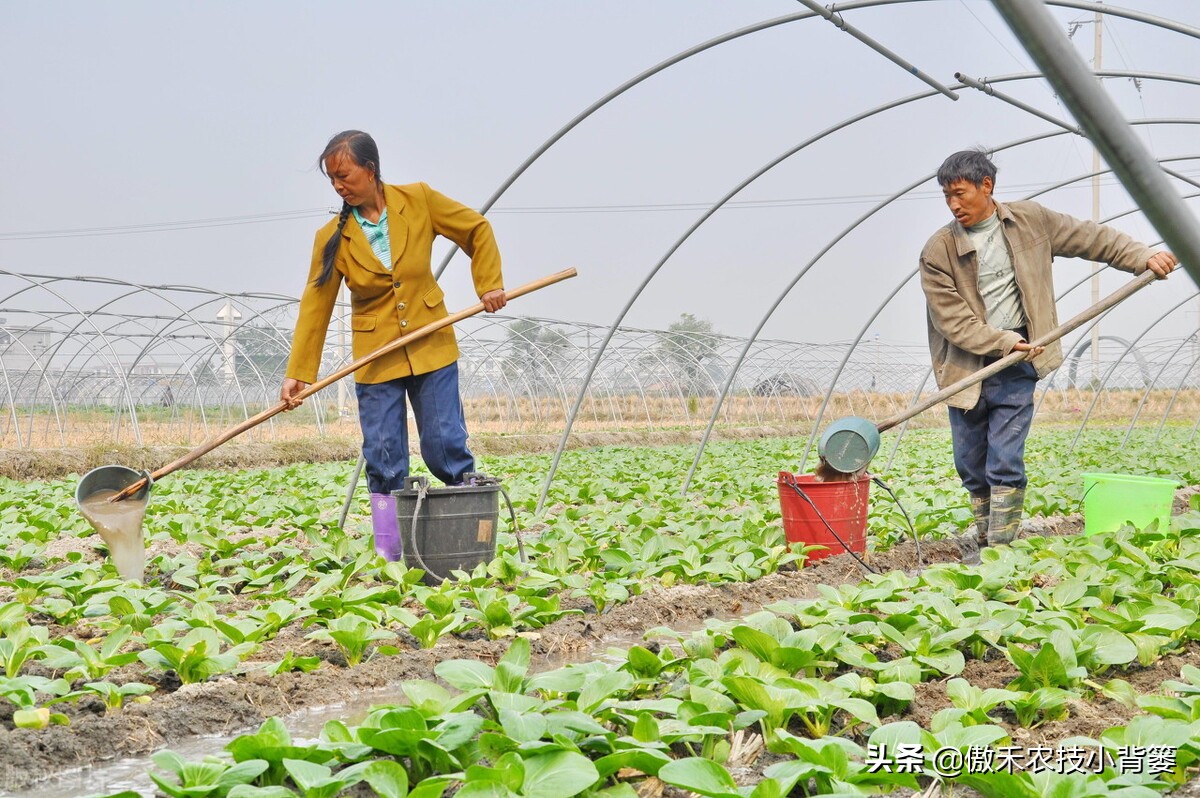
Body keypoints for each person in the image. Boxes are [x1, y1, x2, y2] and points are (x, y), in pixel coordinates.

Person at [919, 149, 1177, 563]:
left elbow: (1092, 238)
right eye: (946, 196)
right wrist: (1001, 341)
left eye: (960, 193)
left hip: (1023, 355)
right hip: (966, 366)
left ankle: (999, 551)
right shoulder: (939, 250)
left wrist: (1142, 257)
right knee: (970, 463)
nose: (953, 204)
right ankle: (985, 538)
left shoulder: (1031, 222)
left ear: (987, 187)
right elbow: (953, 320)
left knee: (1004, 459)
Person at [280, 130, 505, 561]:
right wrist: (299, 374)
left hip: (432, 345)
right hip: (376, 357)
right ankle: (392, 553)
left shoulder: (417, 200)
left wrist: (489, 285)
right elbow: (315, 306)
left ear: (371, 170)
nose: (338, 186)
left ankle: (469, 547)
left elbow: (476, 229)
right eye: (331, 180)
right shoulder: (332, 236)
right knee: (384, 458)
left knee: (445, 446)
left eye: (344, 176)